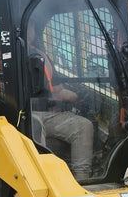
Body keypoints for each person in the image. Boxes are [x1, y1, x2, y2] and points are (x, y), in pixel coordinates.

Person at [28, 25, 94, 181]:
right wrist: (75, 97)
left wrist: (70, 96)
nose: (29, 31)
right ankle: (40, 181)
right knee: (34, 126)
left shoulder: (41, 55)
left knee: (84, 126)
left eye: (31, 28)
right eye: (27, 27)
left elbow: (57, 88)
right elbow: (60, 93)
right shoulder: (7, 55)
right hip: (22, 112)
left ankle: (81, 179)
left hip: (49, 113)